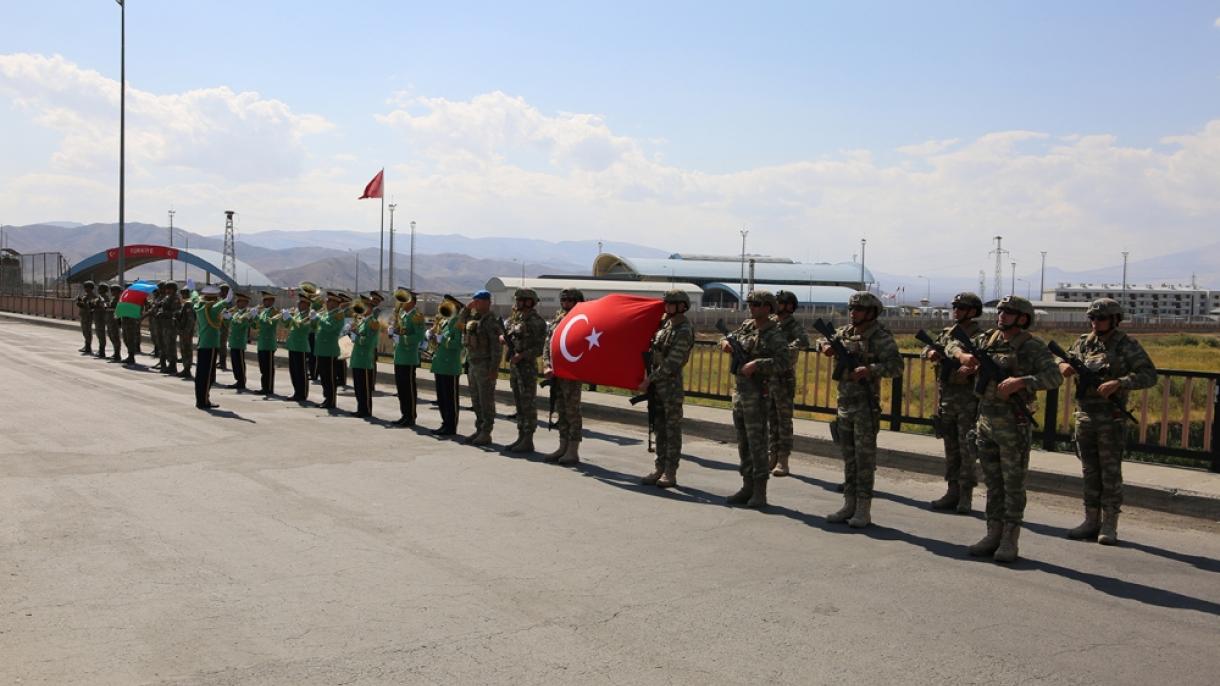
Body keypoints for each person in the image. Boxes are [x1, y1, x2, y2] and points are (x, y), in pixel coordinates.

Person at [948, 295, 1062, 563]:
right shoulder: (988, 340)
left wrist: (1022, 381)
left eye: (1008, 312)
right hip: (985, 421)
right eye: (1000, 311)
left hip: (1013, 425)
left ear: (1023, 318)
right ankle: (992, 533)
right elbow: (951, 343)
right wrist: (963, 356)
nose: (1001, 315)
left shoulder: (1031, 347)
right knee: (992, 482)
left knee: (1012, 484)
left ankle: (1010, 538)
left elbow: (1054, 376)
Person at [1060, 298, 1157, 545]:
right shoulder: (1083, 342)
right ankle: (1090, 520)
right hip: (1085, 415)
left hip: (1110, 417)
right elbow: (1063, 360)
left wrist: (1119, 382)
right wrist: (1064, 366)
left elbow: (1148, 374)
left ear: (1114, 320)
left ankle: (1109, 524)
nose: (1095, 323)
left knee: (1110, 473)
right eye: (1091, 318)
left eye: (1100, 318)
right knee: (1089, 470)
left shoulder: (1126, 345)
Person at [817, 291, 903, 528]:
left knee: (864, 459)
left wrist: (870, 370)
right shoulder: (846, 332)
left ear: (871, 312)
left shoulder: (880, 336)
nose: (853, 313)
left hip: (865, 404)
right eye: (851, 309)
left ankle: (863, 509)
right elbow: (822, 340)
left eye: (858, 310)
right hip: (844, 403)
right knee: (849, 457)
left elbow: (896, 366)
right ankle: (849, 504)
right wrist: (825, 347)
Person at [722, 291, 791, 507]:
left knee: (757, 444)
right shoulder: (747, 326)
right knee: (743, 442)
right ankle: (747, 485)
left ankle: (760, 490)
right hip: (741, 393)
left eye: (758, 304)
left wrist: (758, 364)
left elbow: (783, 362)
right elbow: (728, 337)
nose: (752, 307)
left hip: (758, 394)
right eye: (750, 303)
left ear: (769, 308)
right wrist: (724, 343)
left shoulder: (775, 334)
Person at [923, 292, 984, 514]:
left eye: (961, 307)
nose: (956, 310)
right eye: (955, 306)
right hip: (947, 400)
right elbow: (929, 348)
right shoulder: (948, 333)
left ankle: (965, 495)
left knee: (967, 449)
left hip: (968, 402)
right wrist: (930, 352)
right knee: (951, 449)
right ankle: (952, 490)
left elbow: (984, 361)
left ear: (973, 311)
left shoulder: (980, 336)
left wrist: (972, 368)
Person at [638, 289, 695, 488]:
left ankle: (670, 472)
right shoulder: (665, 325)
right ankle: (659, 467)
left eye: (671, 303)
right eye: (667, 303)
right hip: (657, 385)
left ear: (682, 306)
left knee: (671, 430)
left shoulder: (684, 329)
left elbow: (672, 363)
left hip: (670, 386)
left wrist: (649, 379)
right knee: (659, 428)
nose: (667, 306)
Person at [542, 288, 586, 465]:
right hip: (556, 372)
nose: (566, 303)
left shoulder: (583, 320)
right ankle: (563, 445)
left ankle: (573, 450)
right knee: (561, 409)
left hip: (572, 373)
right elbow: (548, 343)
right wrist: (546, 364)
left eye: (570, 300)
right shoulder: (558, 318)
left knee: (572, 411)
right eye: (564, 300)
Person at [768, 289, 809, 477]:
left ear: (790, 306)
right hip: (768, 377)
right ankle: (772, 454)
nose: (778, 307)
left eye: (781, 303)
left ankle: (783, 459)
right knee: (771, 419)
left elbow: (803, 341)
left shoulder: (793, 326)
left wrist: (785, 349)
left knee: (783, 420)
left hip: (784, 378)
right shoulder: (771, 324)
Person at [462, 291, 504, 446]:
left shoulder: (491, 321)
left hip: (485, 366)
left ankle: (486, 432)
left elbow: (496, 348)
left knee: (486, 400)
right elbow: (461, 322)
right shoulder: (475, 318)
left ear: (487, 302)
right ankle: (479, 428)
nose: (475, 304)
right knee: (476, 399)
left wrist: (494, 369)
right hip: (473, 364)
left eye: (478, 301)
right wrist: (467, 308)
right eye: (474, 301)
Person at [191, 284, 231, 410]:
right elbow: (223, 303)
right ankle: (204, 401)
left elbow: (194, 297)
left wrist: (193, 289)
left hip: (202, 344)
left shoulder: (199, 305)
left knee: (201, 374)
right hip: (211, 344)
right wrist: (226, 299)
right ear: (213, 299)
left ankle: (201, 399)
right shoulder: (212, 309)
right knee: (208, 375)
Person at [390, 290, 426, 426]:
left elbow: (418, 336)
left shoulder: (416, 316)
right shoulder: (402, 315)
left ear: (411, 301)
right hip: (399, 356)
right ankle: (404, 414)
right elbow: (399, 331)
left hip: (409, 356)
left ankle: (410, 416)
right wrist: (392, 332)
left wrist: (402, 339)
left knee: (409, 388)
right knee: (401, 388)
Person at [430, 298, 465, 436]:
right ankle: (445, 423)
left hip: (450, 365)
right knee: (442, 397)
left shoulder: (458, 323)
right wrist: (432, 336)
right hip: (440, 364)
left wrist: (442, 339)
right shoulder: (444, 321)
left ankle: (451, 426)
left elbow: (458, 344)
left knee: (450, 399)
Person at [312, 292, 347, 411]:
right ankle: (327, 398)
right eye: (327, 301)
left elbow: (331, 328)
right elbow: (318, 328)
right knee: (323, 377)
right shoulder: (327, 314)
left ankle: (331, 400)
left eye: (329, 301)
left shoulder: (338, 314)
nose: (326, 303)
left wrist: (318, 318)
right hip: (321, 349)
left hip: (330, 350)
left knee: (330, 377)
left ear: (335, 303)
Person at [348, 299, 383, 419]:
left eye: (365, 307)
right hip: (357, 357)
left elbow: (369, 341)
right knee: (358, 386)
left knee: (364, 387)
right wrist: (352, 332)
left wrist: (356, 337)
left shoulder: (373, 322)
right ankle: (360, 408)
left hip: (365, 358)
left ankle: (366, 409)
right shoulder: (362, 322)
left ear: (370, 308)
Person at [284, 293, 316, 402]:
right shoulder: (298, 313)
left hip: (301, 346)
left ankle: (302, 394)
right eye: (299, 302)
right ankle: (296, 392)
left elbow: (301, 326)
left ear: (307, 304)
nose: (299, 303)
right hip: (293, 345)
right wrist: (285, 318)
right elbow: (288, 325)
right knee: (293, 371)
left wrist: (290, 319)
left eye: (301, 302)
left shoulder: (308, 315)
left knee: (301, 372)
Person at [253, 291, 281, 395]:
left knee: (268, 368)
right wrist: (252, 319)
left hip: (269, 343)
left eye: (267, 300)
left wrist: (256, 317)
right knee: (263, 368)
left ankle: (269, 388)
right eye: (264, 300)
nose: (264, 302)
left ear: (272, 301)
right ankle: (264, 386)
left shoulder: (274, 312)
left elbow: (267, 324)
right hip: (262, 343)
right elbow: (258, 326)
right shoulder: (264, 312)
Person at [224, 293, 253, 392]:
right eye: (238, 301)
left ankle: (241, 381)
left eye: (240, 301)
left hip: (239, 342)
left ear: (245, 303)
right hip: (233, 341)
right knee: (235, 363)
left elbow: (239, 325)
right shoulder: (236, 313)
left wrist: (230, 318)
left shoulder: (246, 314)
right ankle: (238, 380)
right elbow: (230, 324)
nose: (237, 303)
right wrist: (225, 317)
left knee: (240, 363)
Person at [156, 282, 181, 375]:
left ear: (174, 289)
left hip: (171, 325)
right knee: (164, 345)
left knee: (171, 345)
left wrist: (164, 314)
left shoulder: (175, 299)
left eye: (169, 289)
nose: (167, 290)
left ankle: (172, 365)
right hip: (164, 325)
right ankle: (166, 364)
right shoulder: (167, 298)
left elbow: (176, 312)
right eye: (166, 289)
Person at [176, 287, 196, 379]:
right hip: (183, 331)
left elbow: (190, 320)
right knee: (183, 350)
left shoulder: (189, 304)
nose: (182, 295)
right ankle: (185, 368)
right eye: (182, 293)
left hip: (186, 332)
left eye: (184, 293)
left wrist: (187, 332)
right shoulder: (185, 303)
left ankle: (187, 369)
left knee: (187, 350)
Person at [75, 280, 98, 353]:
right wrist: (79, 302)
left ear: (90, 288)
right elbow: (83, 304)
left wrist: (82, 304)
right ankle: (86, 345)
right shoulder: (85, 295)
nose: (85, 288)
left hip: (88, 316)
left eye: (86, 287)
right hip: (84, 315)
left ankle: (88, 347)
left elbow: (91, 306)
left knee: (87, 331)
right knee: (84, 331)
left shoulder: (93, 296)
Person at [92, 282, 110, 359]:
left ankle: (102, 351)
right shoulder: (99, 297)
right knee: (99, 334)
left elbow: (105, 307)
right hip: (97, 317)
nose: (98, 290)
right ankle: (101, 350)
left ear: (104, 290)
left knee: (101, 334)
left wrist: (99, 304)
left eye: (100, 288)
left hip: (101, 318)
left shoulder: (104, 298)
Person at [106, 284, 123, 362]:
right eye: (111, 290)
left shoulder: (120, 300)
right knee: (111, 336)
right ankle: (115, 353)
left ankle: (117, 355)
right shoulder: (113, 299)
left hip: (115, 321)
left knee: (116, 337)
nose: (112, 292)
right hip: (110, 321)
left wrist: (109, 309)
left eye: (114, 290)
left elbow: (118, 310)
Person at [216, 284, 231, 370]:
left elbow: (227, 313)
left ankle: (223, 363)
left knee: (222, 344)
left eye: (221, 291)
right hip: (219, 325)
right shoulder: (222, 300)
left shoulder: (227, 302)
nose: (220, 293)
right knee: (219, 344)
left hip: (224, 325)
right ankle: (220, 361)